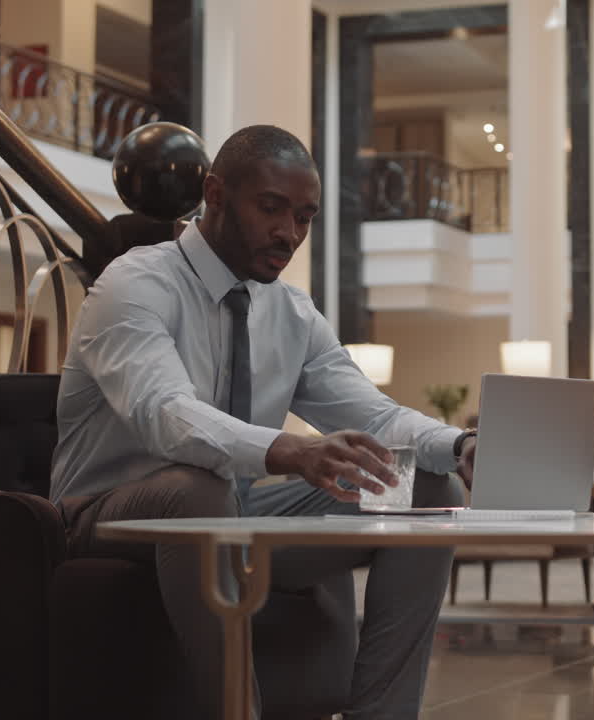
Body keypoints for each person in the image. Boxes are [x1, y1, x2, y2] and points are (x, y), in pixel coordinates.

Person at [50, 124, 478, 719]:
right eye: (272, 209)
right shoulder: (135, 283)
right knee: (195, 491)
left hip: (232, 511)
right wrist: (292, 452)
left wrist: (458, 444)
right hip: (106, 512)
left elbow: (373, 413)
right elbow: (166, 415)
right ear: (217, 195)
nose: (290, 234)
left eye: (305, 217)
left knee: (424, 488)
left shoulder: (291, 312)